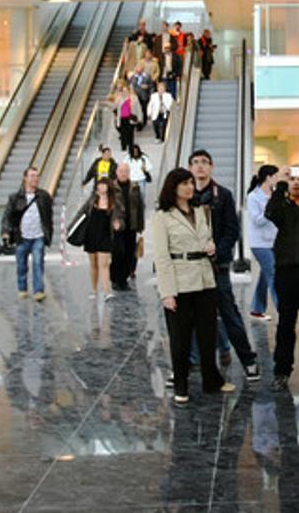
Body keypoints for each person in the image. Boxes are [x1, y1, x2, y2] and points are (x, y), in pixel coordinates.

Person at [149, 167, 234, 405]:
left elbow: (206, 238)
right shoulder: (162, 217)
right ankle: (181, 385)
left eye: (190, 183)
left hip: (205, 278)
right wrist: (167, 292)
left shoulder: (200, 210)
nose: (190, 187)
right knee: (180, 338)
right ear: (173, 187)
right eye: (184, 183)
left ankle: (211, 380)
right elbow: (162, 257)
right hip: (179, 280)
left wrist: (211, 246)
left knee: (208, 333)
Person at [190, 149, 261, 382]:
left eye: (204, 162)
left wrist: (218, 252)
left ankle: (248, 360)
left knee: (229, 313)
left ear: (211, 167)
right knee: (191, 316)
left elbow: (232, 230)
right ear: (190, 168)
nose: (200, 166)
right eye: (195, 163)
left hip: (217, 265)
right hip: (191, 267)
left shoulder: (224, 196)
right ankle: (192, 361)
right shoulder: (185, 196)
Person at [265, 165, 299, 391]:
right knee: (285, 323)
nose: (296, 183)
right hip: (286, 271)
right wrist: (280, 184)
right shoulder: (282, 206)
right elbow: (270, 213)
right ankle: (281, 371)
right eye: (292, 179)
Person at [4, 167, 53, 302]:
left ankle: (38, 290)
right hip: (22, 237)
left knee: (38, 263)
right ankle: (22, 289)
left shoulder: (43, 196)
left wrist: (48, 233)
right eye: (32, 176)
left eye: (37, 176)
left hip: (38, 236)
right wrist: (6, 231)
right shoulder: (15, 198)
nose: (35, 179)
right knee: (21, 265)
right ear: (25, 178)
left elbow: (48, 216)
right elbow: (7, 216)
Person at [77, 179, 124, 301]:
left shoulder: (114, 201)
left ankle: (107, 291)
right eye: (100, 185)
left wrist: (119, 225)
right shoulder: (92, 200)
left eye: (104, 185)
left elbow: (121, 217)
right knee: (93, 264)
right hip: (91, 235)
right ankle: (94, 290)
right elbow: (81, 214)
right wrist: (72, 228)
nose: (102, 187)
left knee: (104, 264)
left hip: (106, 236)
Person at [246, 165, 281, 320]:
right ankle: (284, 310)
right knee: (273, 274)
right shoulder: (253, 197)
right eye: (276, 176)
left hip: (275, 241)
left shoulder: (275, 194)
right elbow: (257, 220)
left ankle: (256, 308)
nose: (277, 179)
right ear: (268, 177)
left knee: (265, 275)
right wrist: (271, 209)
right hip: (260, 244)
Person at [110, 163, 144, 292]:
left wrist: (141, 224)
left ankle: (123, 280)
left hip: (132, 225)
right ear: (117, 172)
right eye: (121, 171)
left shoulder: (135, 187)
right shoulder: (111, 188)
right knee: (119, 252)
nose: (123, 173)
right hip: (118, 226)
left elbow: (140, 206)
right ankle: (114, 278)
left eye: (126, 171)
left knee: (130, 253)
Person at [128, 61, 154, 131]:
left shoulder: (147, 76)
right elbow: (129, 85)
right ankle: (138, 124)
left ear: (142, 69)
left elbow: (152, 86)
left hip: (144, 96)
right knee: (136, 110)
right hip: (135, 96)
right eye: (137, 68)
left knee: (143, 109)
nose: (138, 69)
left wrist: (147, 87)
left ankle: (144, 121)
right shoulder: (132, 77)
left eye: (140, 68)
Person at [116, 87, 141, 153]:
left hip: (130, 118)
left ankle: (131, 147)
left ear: (129, 91)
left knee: (130, 133)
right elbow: (115, 106)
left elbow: (138, 108)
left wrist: (140, 117)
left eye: (126, 91)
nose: (125, 92)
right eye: (123, 91)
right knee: (123, 133)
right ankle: (123, 146)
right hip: (122, 118)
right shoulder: (119, 98)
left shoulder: (134, 98)